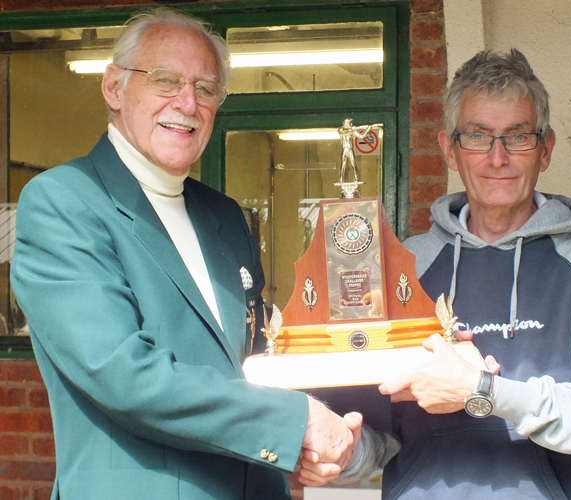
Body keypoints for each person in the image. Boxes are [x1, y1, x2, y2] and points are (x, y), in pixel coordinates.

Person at [10, 8, 359, 500]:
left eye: (206, 88)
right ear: (114, 88)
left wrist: (304, 437)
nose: (187, 103)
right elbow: (121, 373)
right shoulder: (64, 201)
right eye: (165, 80)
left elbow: (255, 358)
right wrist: (295, 423)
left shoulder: (225, 216)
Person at [333, 49, 571, 499]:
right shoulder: (408, 265)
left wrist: (485, 392)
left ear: (546, 149)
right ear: (448, 149)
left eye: (517, 137)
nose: (498, 157)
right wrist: (336, 450)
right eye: (478, 137)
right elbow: (379, 433)